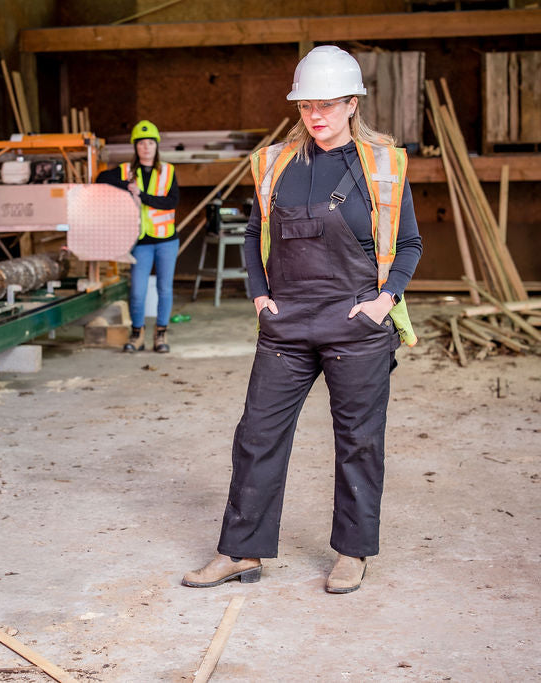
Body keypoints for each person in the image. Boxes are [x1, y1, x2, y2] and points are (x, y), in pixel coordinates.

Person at [182, 46, 423, 594]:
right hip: (287, 323)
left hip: (355, 322)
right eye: (308, 105)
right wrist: (260, 295)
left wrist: (385, 301)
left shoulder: (382, 166)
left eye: (329, 105)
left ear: (352, 104)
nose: (317, 116)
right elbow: (252, 235)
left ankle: (353, 553)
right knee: (256, 435)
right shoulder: (276, 164)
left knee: (359, 440)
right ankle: (240, 551)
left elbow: (408, 242)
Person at [96, 120, 180, 353]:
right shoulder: (126, 171)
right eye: (141, 143)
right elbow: (101, 178)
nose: (146, 147)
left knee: (165, 289)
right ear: (135, 147)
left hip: (166, 240)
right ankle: (137, 335)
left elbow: (171, 202)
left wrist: (142, 195)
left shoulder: (169, 171)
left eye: (150, 143)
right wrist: (126, 185)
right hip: (141, 241)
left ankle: (160, 336)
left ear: (156, 146)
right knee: (137, 291)